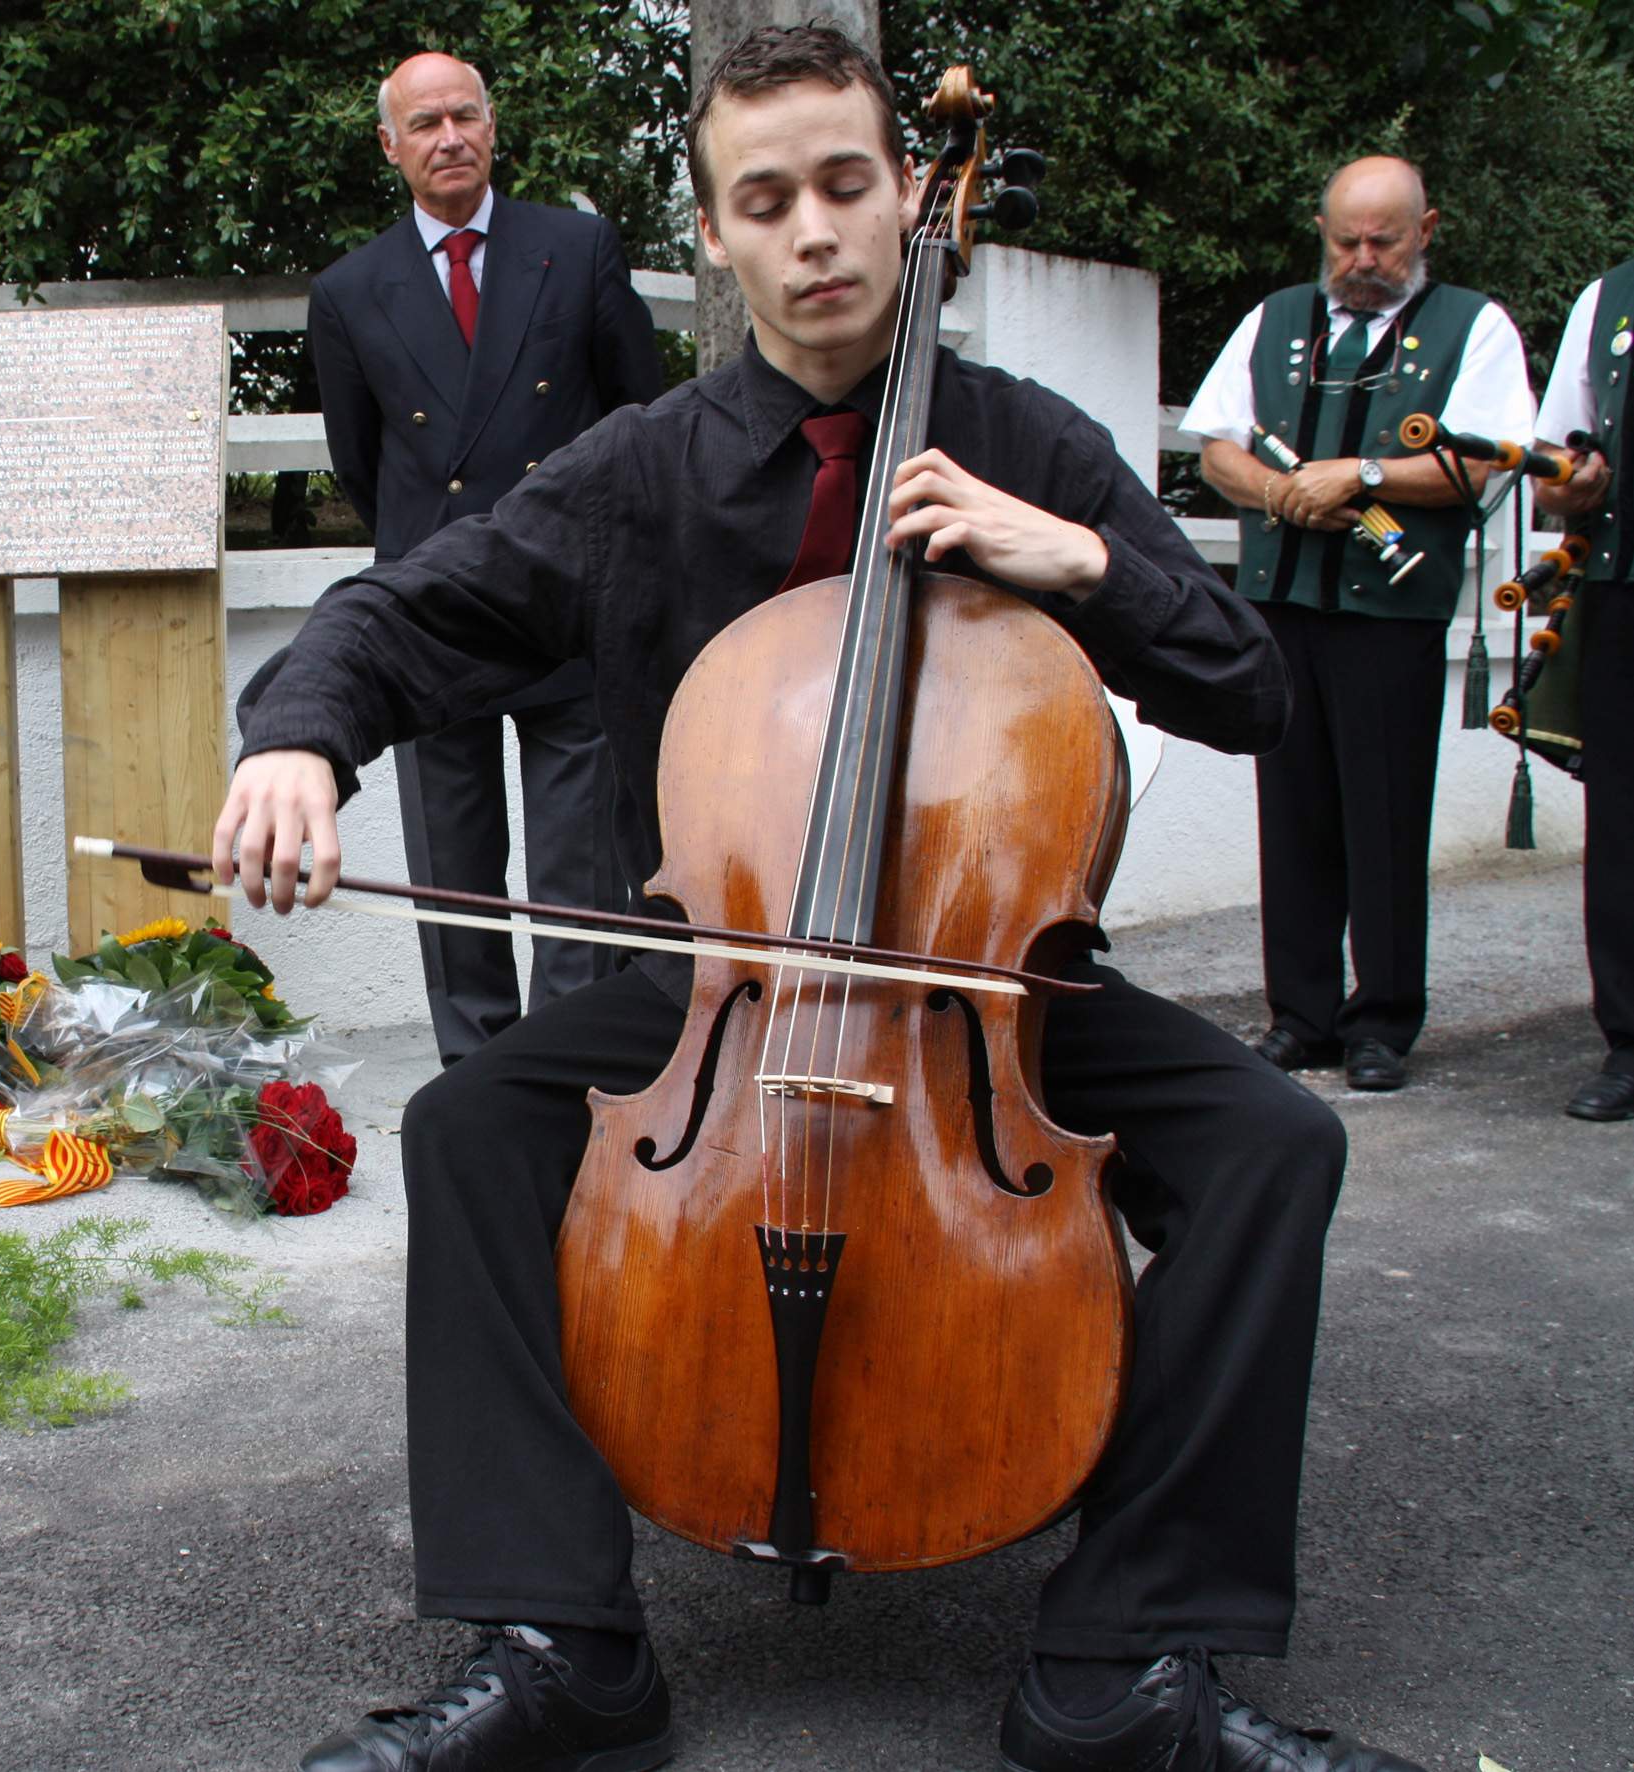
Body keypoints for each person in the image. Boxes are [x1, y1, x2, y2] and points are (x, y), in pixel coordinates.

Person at [218, 26, 1423, 1772]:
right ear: (714, 234)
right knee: (477, 1118)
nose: (815, 233)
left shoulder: (1030, 443)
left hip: (988, 987)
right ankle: (563, 1639)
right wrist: (300, 741)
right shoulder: (640, 467)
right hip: (733, 986)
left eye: (847, 187)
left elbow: (1250, 687)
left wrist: (1079, 563)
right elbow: (407, 608)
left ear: (902, 196)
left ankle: (1123, 1657)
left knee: (1269, 1145)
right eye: (764, 200)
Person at [306, 51, 663, 1067]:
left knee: (577, 876)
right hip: (433, 611)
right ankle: (479, 1079)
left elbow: (637, 414)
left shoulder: (578, 246)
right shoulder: (346, 289)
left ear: (493, 128)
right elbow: (363, 465)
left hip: (571, 604)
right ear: (391, 146)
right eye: (423, 123)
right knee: (450, 873)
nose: (447, 136)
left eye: (463, 115)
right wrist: (436, 560)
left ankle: (561, 1071)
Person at [1183, 158, 1536, 1094]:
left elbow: (1486, 465)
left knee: (1381, 816)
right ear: (1321, 229)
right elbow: (1217, 442)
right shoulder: (1275, 318)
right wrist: (1278, 491)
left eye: (1385, 239)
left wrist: (1362, 476)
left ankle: (1381, 1020)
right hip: (1284, 606)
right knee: (1290, 812)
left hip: (1390, 616)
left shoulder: (1475, 326)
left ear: (1427, 230)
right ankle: (1298, 1015)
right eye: (1346, 240)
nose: (1364, 258)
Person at [1527, 265, 1634, 1121]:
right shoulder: (1606, 300)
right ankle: (1628, 1044)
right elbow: (1552, 470)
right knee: (1623, 825)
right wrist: (1571, 481)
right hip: (1623, 588)